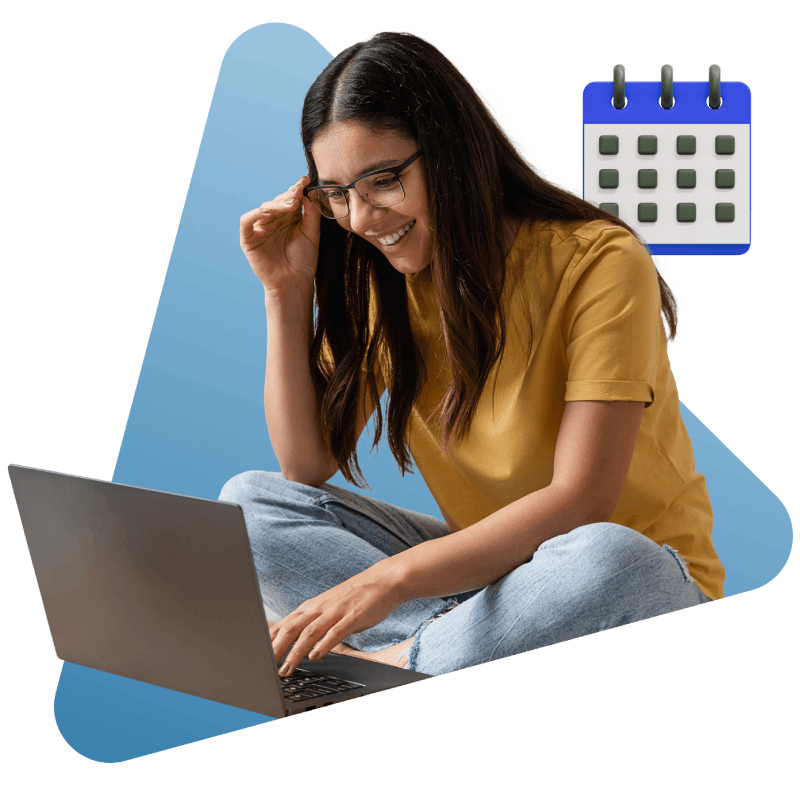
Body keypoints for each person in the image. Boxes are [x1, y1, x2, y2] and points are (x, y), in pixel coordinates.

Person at [223, 30, 725, 679]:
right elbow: (305, 462)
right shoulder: (387, 286)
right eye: (335, 193)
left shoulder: (599, 261)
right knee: (248, 504)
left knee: (606, 556)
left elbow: (579, 502)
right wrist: (283, 291)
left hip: (635, 582)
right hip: (491, 587)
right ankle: (439, 650)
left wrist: (391, 581)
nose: (361, 217)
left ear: (451, 150)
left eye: (382, 180)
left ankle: (388, 664)